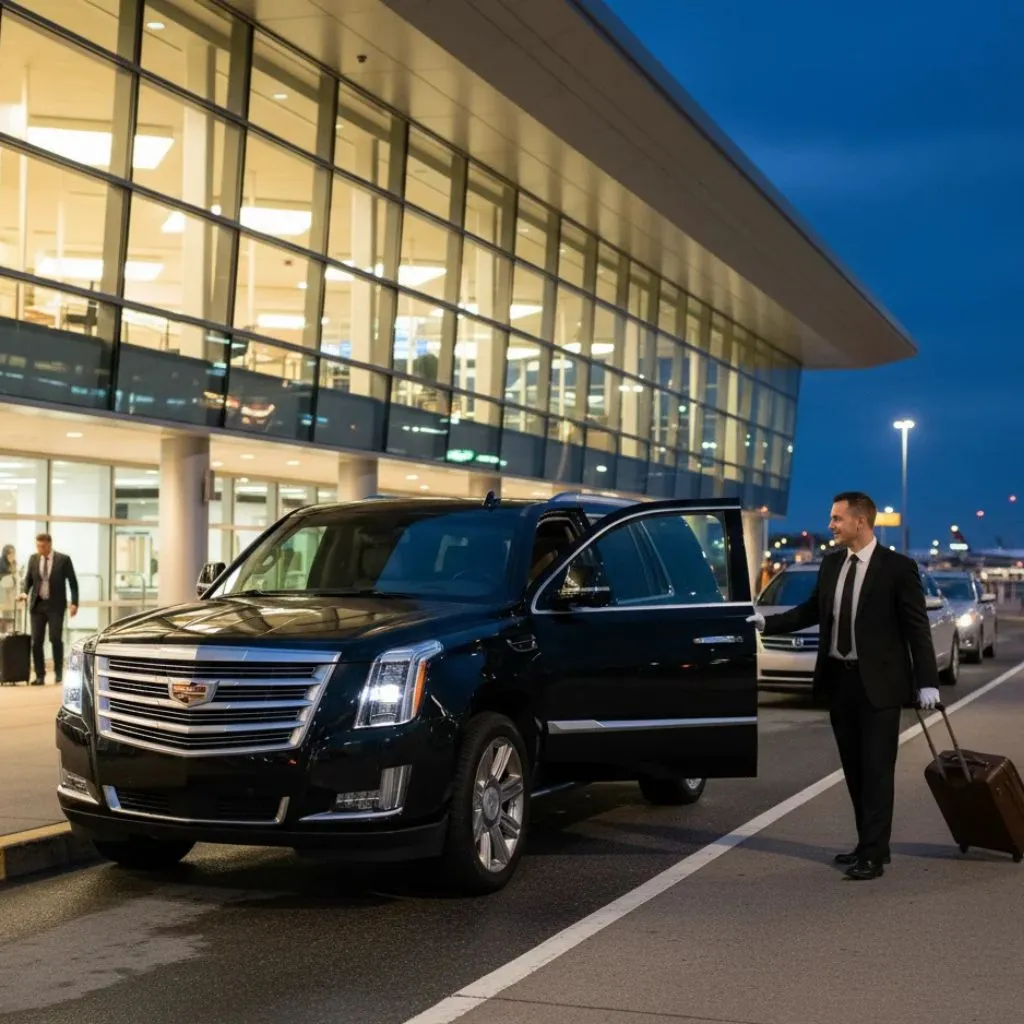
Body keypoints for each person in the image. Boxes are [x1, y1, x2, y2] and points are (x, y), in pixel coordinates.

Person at [748, 492, 940, 881]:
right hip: (840, 682)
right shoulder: (832, 564)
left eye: (837, 519)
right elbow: (810, 611)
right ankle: (867, 844)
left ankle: (873, 853)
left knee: (877, 770)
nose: (831, 525)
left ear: (860, 523)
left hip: (880, 687)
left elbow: (916, 628)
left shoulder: (898, 568)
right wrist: (768, 623)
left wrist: (927, 683)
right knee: (854, 769)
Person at [18, 533, 79, 686]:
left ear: (50, 544)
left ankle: (58, 672)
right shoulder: (33, 559)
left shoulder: (63, 560)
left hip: (55, 605)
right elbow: (28, 580)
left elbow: (72, 582)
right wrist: (25, 593)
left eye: (43, 546)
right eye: (38, 546)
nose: (40, 549)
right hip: (37, 606)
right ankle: (40, 675)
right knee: (36, 641)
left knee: (55, 638)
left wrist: (74, 603)